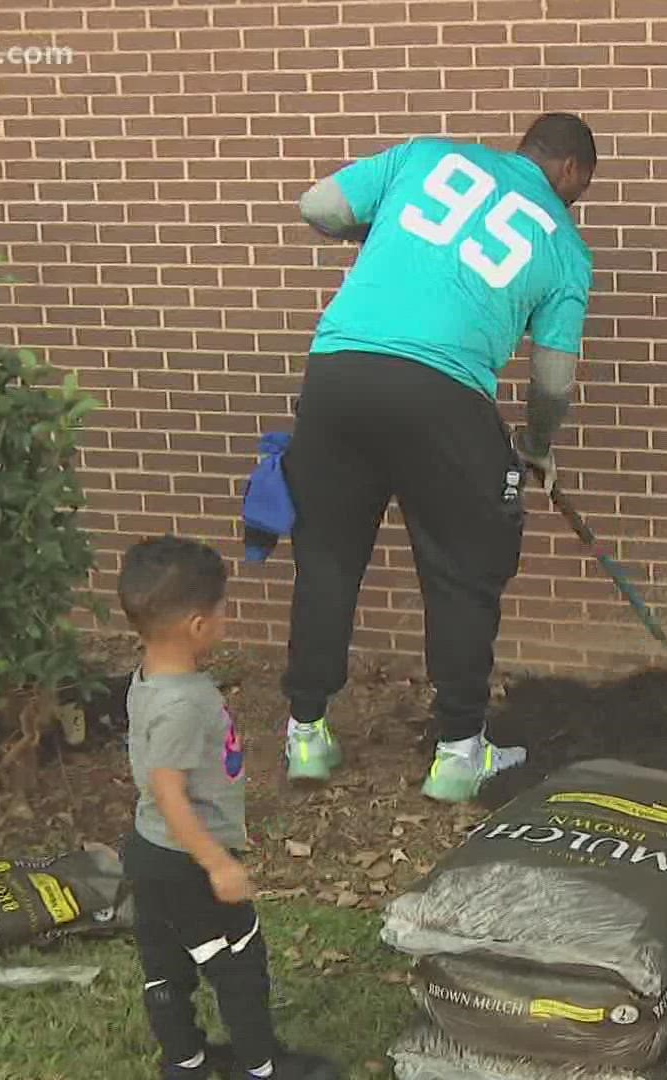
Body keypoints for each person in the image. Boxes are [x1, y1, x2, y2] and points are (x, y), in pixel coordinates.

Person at [280, 113, 598, 803]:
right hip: (445, 395)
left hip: (339, 374)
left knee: (327, 558)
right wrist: (537, 448)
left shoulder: (423, 158)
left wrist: (379, 232)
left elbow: (319, 206)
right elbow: (552, 381)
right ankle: (458, 754)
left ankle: (306, 733)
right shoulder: (566, 247)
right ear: (570, 172)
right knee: (463, 571)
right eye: (582, 187)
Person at [118, 535, 339, 1080]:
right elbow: (170, 793)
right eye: (221, 610)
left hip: (149, 854)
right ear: (197, 625)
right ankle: (262, 1067)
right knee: (238, 960)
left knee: (166, 962)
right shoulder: (183, 704)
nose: (225, 619)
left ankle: (185, 1062)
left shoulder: (148, 678)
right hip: (185, 861)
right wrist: (216, 863)